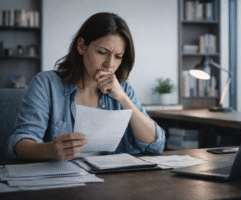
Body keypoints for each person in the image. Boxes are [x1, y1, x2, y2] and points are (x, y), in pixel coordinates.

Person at [7, 12, 165, 161]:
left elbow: (156, 145)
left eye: (118, 57)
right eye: (102, 52)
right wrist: (50, 150)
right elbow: (18, 144)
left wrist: (123, 98)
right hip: (64, 181)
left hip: (112, 182)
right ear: (82, 46)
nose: (109, 64)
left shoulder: (123, 88)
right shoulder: (45, 84)